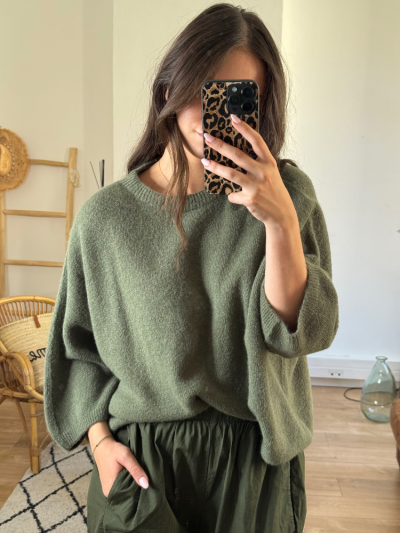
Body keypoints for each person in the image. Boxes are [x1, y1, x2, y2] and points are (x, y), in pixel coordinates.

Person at [44, 4, 339, 532]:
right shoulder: (105, 219)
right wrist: (101, 443)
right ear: (170, 88)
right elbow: (76, 350)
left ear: (262, 106)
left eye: (237, 96)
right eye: (204, 88)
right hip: (142, 459)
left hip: (252, 460)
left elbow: (302, 333)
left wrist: (279, 223)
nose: (215, 112)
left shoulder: (288, 196)